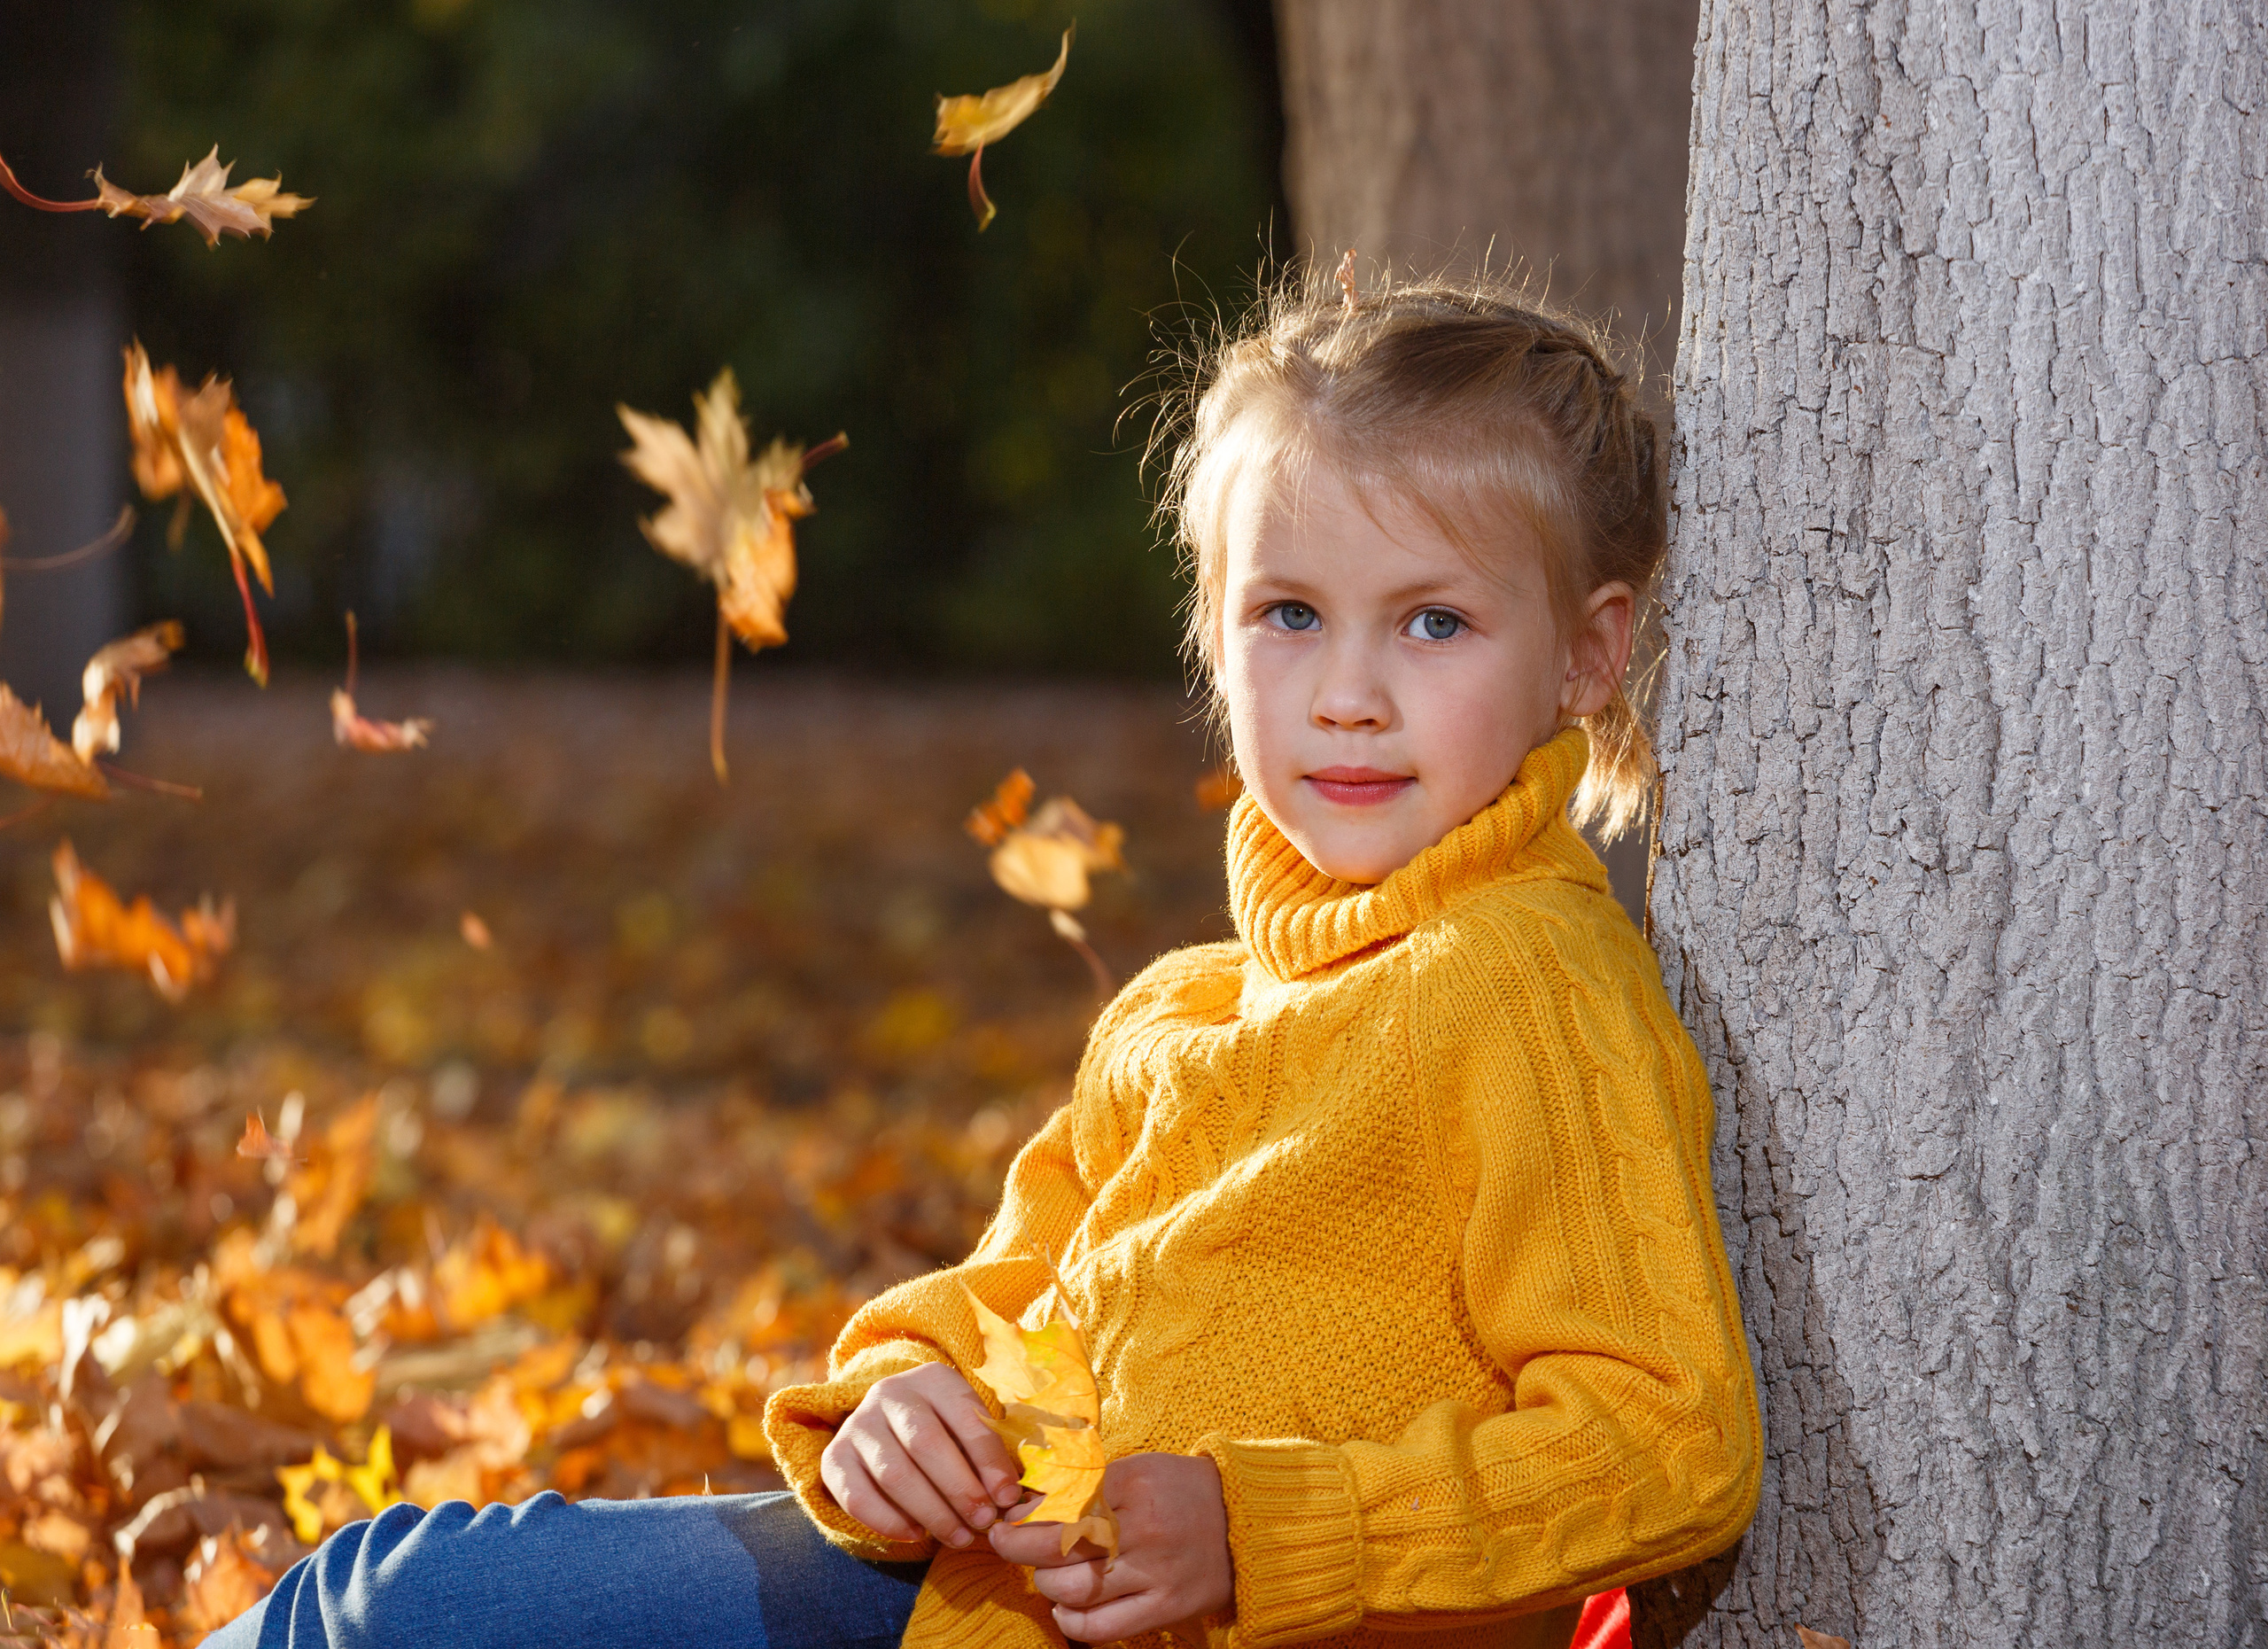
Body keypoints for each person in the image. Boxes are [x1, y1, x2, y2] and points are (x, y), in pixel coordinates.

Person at [208, 263, 1760, 1649]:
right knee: (385, 1590)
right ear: (1215, 640)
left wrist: (1257, 1528)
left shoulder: (1527, 984)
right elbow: (1011, 1289)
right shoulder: (1180, 1012)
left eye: (1432, 625)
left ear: (1587, 653)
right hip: (975, 1600)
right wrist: (902, 1397)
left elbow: (1666, 1437)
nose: (1347, 691)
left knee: (396, 1608)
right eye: (1289, 613)